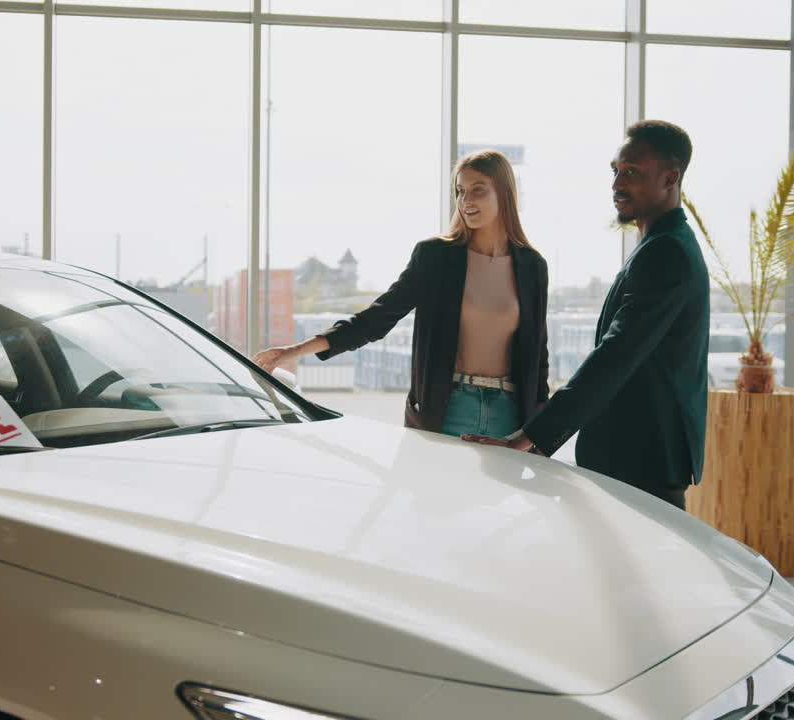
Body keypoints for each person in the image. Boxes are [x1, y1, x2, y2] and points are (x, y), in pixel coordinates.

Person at [465, 120, 709, 511]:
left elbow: (616, 354)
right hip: (637, 451)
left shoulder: (668, 252)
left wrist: (531, 436)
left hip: (643, 455)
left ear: (670, 177)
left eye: (631, 172)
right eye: (615, 171)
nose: (616, 184)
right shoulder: (662, 244)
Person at [252, 149, 549, 438]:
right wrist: (293, 352)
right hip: (446, 409)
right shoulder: (436, 256)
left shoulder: (532, 267)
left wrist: (539, 431)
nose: (465, 200)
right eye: (459, 191)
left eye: (478, 190)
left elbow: (538, 355)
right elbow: (378, 318)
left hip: (509, 416)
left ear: (504, 194)